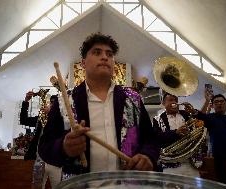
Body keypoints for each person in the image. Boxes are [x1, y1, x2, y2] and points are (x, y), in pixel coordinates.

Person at [38, 33, 160, 179]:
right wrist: (64, 147)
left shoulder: (133, 99)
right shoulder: (64, 101)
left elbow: (150, 139)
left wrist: (147, 156)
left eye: (109, 54)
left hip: (128, 184)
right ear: (83, 63)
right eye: (97, 52)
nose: (104, 57)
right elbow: (45, 147)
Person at [185, 94, 226, 185]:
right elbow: (199, 115)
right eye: (216, 102)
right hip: (220, 158)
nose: (219, 103)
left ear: (225, 104)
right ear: (212, 106)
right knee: (225, 184)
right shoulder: (210, 118)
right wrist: (207, 101)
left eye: (222, 101)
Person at [20, 91, 61, 189]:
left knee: (59, 187)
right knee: (36, 187)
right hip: (39, 160)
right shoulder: (41, 118)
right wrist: (26, 101)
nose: (51, 105)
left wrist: (52, 113)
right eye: (50, 103)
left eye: (54, 104)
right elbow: (23, 120)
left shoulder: (61, 119)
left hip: (55, 161)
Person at [152, 92, 199, 176]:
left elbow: (199, 125)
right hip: (171, 163)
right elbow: (156, 137)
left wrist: (193, 111)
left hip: (191, 161)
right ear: (163, 103)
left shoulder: (186, 114)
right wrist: (175, 132)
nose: (174, 102)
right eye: (170, 100)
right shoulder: (157, 119)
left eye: (176, 100)